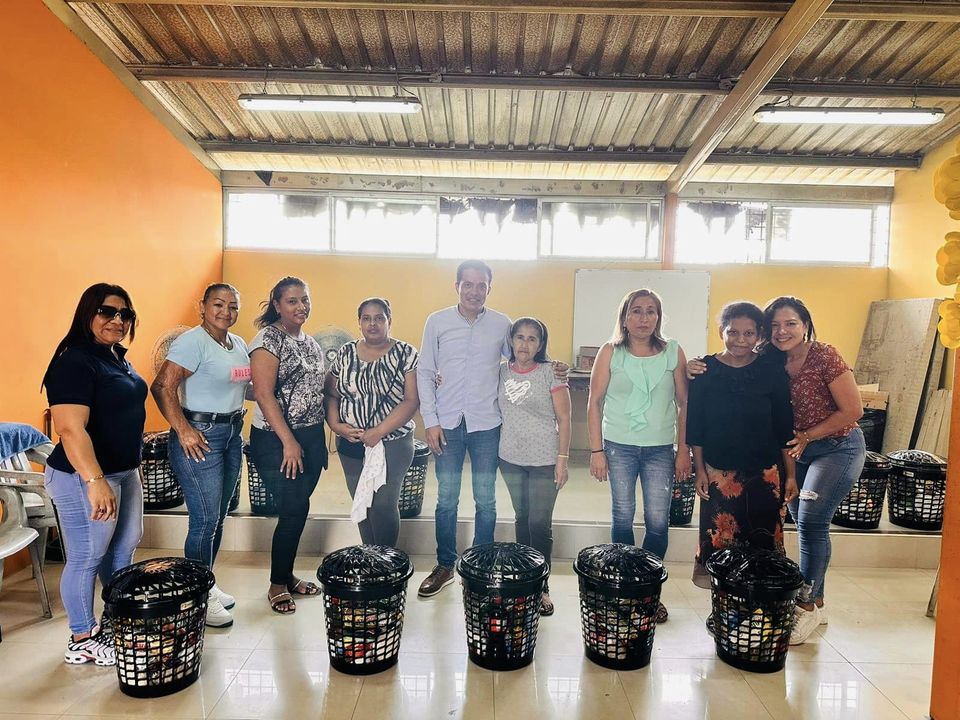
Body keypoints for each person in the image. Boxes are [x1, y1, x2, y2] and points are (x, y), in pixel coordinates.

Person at [687, 296, 865, 645]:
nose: (783, 331)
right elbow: (700, 418)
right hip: (787, 452)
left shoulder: (822, 356)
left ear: (805, 324)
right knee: (748, 534)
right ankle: (801, 601)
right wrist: (692, 366)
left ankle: (807, 605)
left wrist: (798, 456)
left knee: (810, 522)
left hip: (835, 446)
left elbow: (851, 411)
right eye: (776, 326)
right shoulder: (769, 358)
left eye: (791, 324)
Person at [41, 283, 147, 666]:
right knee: (87, 556)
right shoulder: (75, 361)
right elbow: (70, 429)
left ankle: (116, 622)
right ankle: (82, 637)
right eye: (107, 311)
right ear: (88, 313)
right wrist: (94, 480)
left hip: (123, 472)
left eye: (125, 314)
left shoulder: (115, 357)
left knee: (123, 548)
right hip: (82, 477)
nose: (117, 320)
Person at [587, 288, 690, 623]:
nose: (644, 318)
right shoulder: (610, 352)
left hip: (660, 448)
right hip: (618, 446)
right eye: (636, 311)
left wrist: (683, 450)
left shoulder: (673, 351)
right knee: (622, 516)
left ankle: (648, 591)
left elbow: (684, 403)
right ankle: (626, 589)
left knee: (658, 521)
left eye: (650, 311)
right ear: (625, 317)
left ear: (658, 317)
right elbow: (594, 402)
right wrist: (597, 450)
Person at [151, 283, 249, 628]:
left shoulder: (238, 344)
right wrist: (183, 430)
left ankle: (206, 580)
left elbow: (241, 385)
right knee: (204, 520)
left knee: (218, 517)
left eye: (233, 306)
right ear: (202, 306)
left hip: (232, 433)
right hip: (201, 436)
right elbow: (162, 386)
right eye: (218, 304)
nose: (226, 311)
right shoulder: (191, 341)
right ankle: (196, 595)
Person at [686, 302, 798, 596]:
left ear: (759, 334)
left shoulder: (771, 371)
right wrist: (700, 470)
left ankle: (759, 608)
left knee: (762, 546)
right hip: (719, 473)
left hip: (765, 473)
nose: (740, 340)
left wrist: (790, 475)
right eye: (732, 332)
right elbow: (695, 426)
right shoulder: (704, 370)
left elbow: (784, 427)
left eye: (748, 333)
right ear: (721, 332)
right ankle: (725, 609)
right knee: (721, 547)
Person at [416, 260, 512, 597]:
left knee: (486, 499)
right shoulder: (437, 321)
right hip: (447, 425)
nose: (474, 291)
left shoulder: (502, 324)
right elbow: (425, 372)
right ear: (456, 286)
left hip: (487, 424)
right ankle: (445, 565)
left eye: (481, 285)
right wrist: (430, 421)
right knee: (446, 498)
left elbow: (520, 359)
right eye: (467, 284)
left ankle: (479, 568)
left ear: (489, 288)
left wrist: (549, 366)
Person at [248, 276, 327, 615]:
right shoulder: (268, 339)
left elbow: (322, 388)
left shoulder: (311, 342)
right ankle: (277, 584)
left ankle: (288, 575)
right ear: (277, 305)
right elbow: (263, 394)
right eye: (292, 300)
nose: (301, 306)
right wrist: (289, 442)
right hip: (276, 440)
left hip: (310, 438)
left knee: (297, 509)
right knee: (293, 508)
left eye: (304, 299)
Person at [324, 297, 420, 547]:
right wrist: (336, 425)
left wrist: (379, 431)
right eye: (366, 318)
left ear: (389, 321)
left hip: (393, 443)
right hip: (351, 442)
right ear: (359, 323)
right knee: (362, 501)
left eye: (379, 318)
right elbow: (331, 393)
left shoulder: (406, 354)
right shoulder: (345, 352)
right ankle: (369, 557)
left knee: (384, 504)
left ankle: (386, 561)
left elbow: (411, 400)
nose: (372, 324)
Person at [497, 317, 571, 616]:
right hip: (510, 459)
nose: (525, 344)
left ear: (540, 345)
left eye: (532, 339)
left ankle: (541, 587)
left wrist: (563, 459)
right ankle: (524, 579)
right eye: (520, 337)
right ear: (511, 340)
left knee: (539, 524)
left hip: (544, 460)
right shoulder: (500, 371)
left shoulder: (551, 372)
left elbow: (564, 418)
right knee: (522, 518)